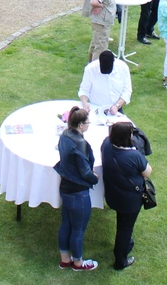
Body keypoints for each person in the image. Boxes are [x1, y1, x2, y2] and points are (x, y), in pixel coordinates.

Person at [100, 122, 151, 271]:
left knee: (123, 224)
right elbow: (147, 172)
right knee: (125, 229)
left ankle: (124, 245)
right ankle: (120, 261)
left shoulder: (106, 144)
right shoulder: (133, 155)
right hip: (129, 201)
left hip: (112, 195)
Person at [55, 106, 99, 272]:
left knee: (66, 224)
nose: (89, 124)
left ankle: (65, 260)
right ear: (80, 125)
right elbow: (85, 171)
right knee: (78, 229)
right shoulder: (80, 143)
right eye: (87, 122)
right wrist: (95, 178)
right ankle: (78, 263)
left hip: (65, 188)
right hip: (78, 193)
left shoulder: (65, 135)